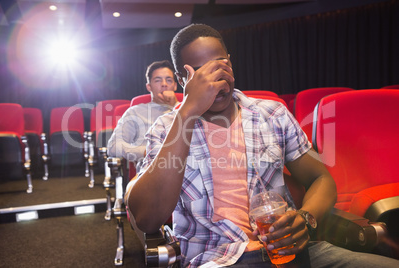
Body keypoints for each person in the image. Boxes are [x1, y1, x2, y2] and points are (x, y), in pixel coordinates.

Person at [127, 24, 399, 267]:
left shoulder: (273, 114)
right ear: (183, 78)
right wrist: (186, 113)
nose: (216, 81)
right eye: (201, 73)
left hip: (291, 252)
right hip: (216, 258)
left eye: (221, 64)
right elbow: (148, 219)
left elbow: (321, 178)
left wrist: (305, 219)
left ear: (231, 62)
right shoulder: (165, 129)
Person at [107, 60, 179, 167]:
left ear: (175, 86)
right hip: (149, 172)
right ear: (149, 87)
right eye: (158, 80)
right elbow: (113, 147)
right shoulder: (135, 112)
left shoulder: (187, 109)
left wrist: (175, 106)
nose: (164, 84)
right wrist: (147, 152)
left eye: (169, 80)